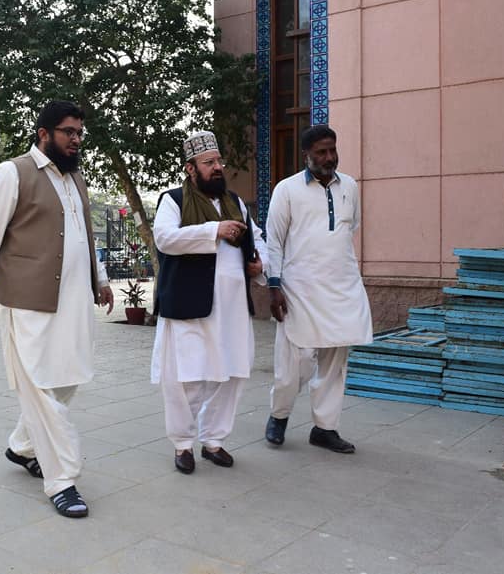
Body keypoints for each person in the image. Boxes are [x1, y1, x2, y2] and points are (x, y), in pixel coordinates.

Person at [0, 100, 114, 518]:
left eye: (79, 133)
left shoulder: (76, 177)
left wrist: (100, 280)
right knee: (38, 386)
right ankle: (61, 479)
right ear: (44, 133)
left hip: (74, 300)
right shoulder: (12, 172)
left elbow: (84, 234)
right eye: (68, 132)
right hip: (29, 302)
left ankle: (23, 446)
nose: (76, 139)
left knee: (69, 378)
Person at [151, 130, 267, 474]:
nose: (217, 167)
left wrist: (261, 265)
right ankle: (183, 444)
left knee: (232, 375)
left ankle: (214, 440)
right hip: (191, 305)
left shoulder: (235, 202)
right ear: (190, 168)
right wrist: (213, 230)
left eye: (219, 161)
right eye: (208, 162)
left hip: (232, 308)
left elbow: (257, 238)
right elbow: (165, 238)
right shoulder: (173, 200)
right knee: (188, 378)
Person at [264, 125, 372, 453]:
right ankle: (279, 416)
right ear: (306, 155)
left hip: (342, 287)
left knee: (334, 362)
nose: (329, 157)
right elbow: (274, 241)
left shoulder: (349, 186)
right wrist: (273, 286)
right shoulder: (286, 190)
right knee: (293, 362)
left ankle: (325, 428)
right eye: (321, 152)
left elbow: (349, 228)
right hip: (299, 289)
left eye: (332, 150)